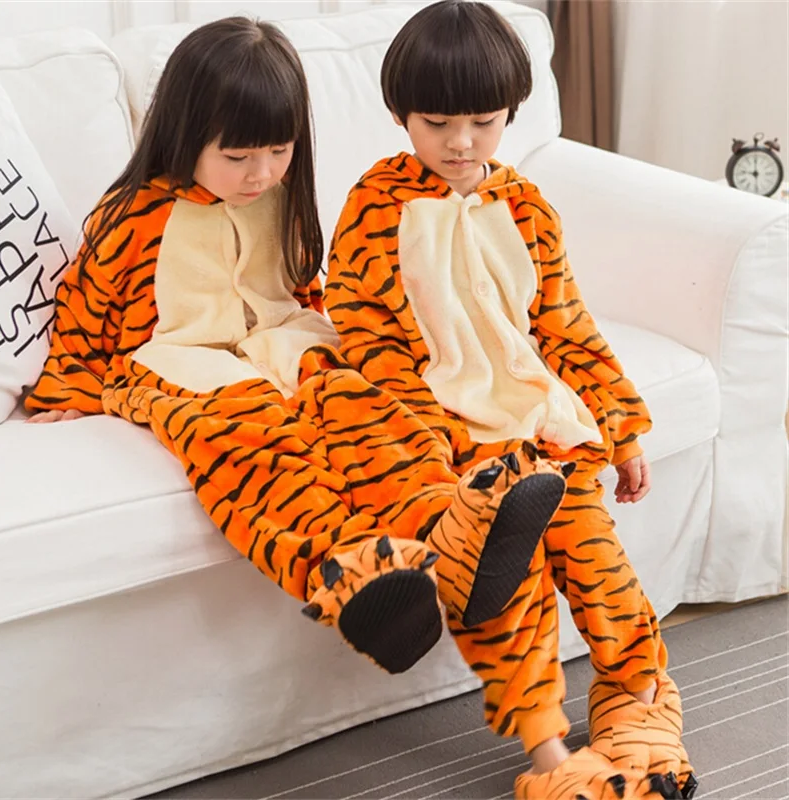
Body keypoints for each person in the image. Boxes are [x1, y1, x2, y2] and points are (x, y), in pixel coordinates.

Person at [23, 17, 570, 682]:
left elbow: (301, 284)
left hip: (289, 340)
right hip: (179, 361)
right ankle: (352, 573)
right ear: (185, 135)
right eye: (238, 157)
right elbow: (83, 312)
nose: (260, 174)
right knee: (256, 446)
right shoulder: (133, 216)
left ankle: (450, 532)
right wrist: (67, 389)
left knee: (369, 411)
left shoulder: (280, 197)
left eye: (278, 152)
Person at [324, 2, 696, 798]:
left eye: (483, 123)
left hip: (547, 428)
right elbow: (368, 342)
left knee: (600, 566)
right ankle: (549, 757)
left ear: (510, 116)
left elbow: (566, 326)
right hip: (464, 449)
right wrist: (429, 451)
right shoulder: (374, 208)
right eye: (437, 124)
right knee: (508, 594)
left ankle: (640, 707)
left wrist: (623, 431)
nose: (461, 143)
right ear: (399, 115)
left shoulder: (527, 208)